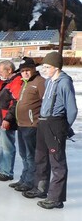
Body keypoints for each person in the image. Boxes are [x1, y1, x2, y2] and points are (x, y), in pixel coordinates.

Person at [22, 52, 77, 209]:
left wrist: (63, 128)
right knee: (41, 157)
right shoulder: (48, 82)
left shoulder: (64, 82)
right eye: (44, 66)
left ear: (56, 67)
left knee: (57, 162)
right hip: (43, 123)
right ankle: (40, 188)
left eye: (47, 67)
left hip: (55, 124)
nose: (44, 70)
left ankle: (56, 198)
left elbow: (72, 109)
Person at [5, 57, 45, 192]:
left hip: (32, 125)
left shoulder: (40, 82)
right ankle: (24, 178)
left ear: (34, 69)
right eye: (23, 71)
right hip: (21, 124)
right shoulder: (25, 83)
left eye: (28, 70)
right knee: (23, 154)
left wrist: (39, 120)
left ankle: (30, 181)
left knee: (30, 155)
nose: (25, 73)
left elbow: (45, 103)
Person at [0, 60, 22, 181]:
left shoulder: (16, 82)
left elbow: (16, 102)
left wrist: (8, 118)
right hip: (0, 118)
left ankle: (7, 172)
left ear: (9, 70)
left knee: (7, 146)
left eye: (1, 71)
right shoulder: (9, 81)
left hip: (6, 119)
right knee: (2, 146)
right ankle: (1, 169)